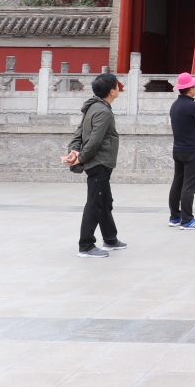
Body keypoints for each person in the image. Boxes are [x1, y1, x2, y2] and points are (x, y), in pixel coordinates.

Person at [62, 73, 126, 258]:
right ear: (112, 91)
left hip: (98, 161)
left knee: (104, 201)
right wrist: (80, 157)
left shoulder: (93, 107)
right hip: (99, 162)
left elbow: (80, 131)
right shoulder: (103, 111)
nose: (119, 88)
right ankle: (86, 245)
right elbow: (95, 140)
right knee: (95, 203)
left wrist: (74, 149)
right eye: (117, 86)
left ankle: (110, 239)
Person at [168, 73, 195, 230]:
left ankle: (175, 217)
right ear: (190, 89)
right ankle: (187, 220)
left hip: (178, 149)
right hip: (191, 151)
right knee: (189, 186)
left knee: (177, 183)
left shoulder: (175, 105)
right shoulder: (193, 106)